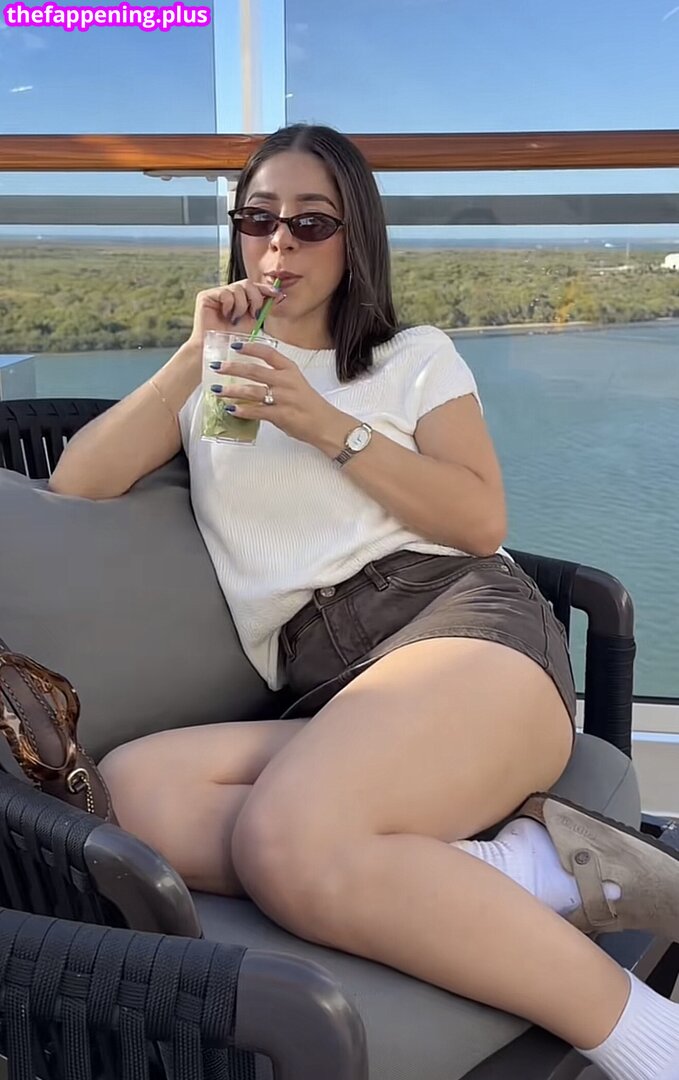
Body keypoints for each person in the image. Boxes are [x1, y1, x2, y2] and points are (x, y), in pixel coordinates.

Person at [50, 123, 679, 1080]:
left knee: (288, 842)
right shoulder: (218, 376)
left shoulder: (411, 357)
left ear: (356, 239)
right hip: (324, 676)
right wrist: (195, 351)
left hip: (456, 625)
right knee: (131, 796)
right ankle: (527, 869)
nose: (279, 243)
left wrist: (326, 425)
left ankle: (651, 1041)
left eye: (311, 222)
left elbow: (478, 520)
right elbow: (77, 482)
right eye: (258, 219)